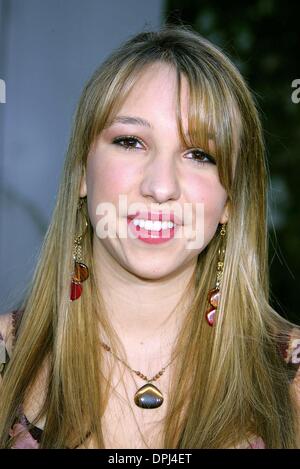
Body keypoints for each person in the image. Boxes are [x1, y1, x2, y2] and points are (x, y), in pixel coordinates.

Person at [0, 24, 300, 449]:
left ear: (230, 199)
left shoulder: (292, 376)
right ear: (82, 172)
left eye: (199, 154)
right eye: (130, 141)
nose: (161, 187)